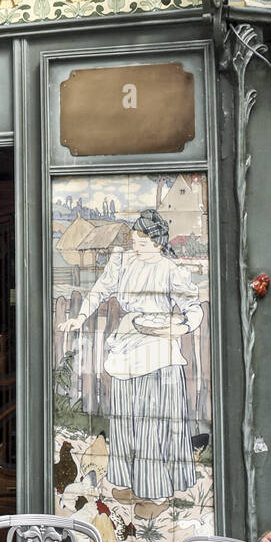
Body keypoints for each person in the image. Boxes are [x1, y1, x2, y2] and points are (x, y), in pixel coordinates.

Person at [59, 208, 204, 502]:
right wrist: (80, 317)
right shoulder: (122, 262)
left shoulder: (170, 271)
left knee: (153, 422)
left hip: (158, 353)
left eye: (142, 241)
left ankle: (156, 494)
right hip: (127, 346)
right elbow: (100, 289)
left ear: (158, 242)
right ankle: (127, 481)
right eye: (134, 239)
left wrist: (179, 326)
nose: (135, 245)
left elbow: (194, 308)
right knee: (125, 418)